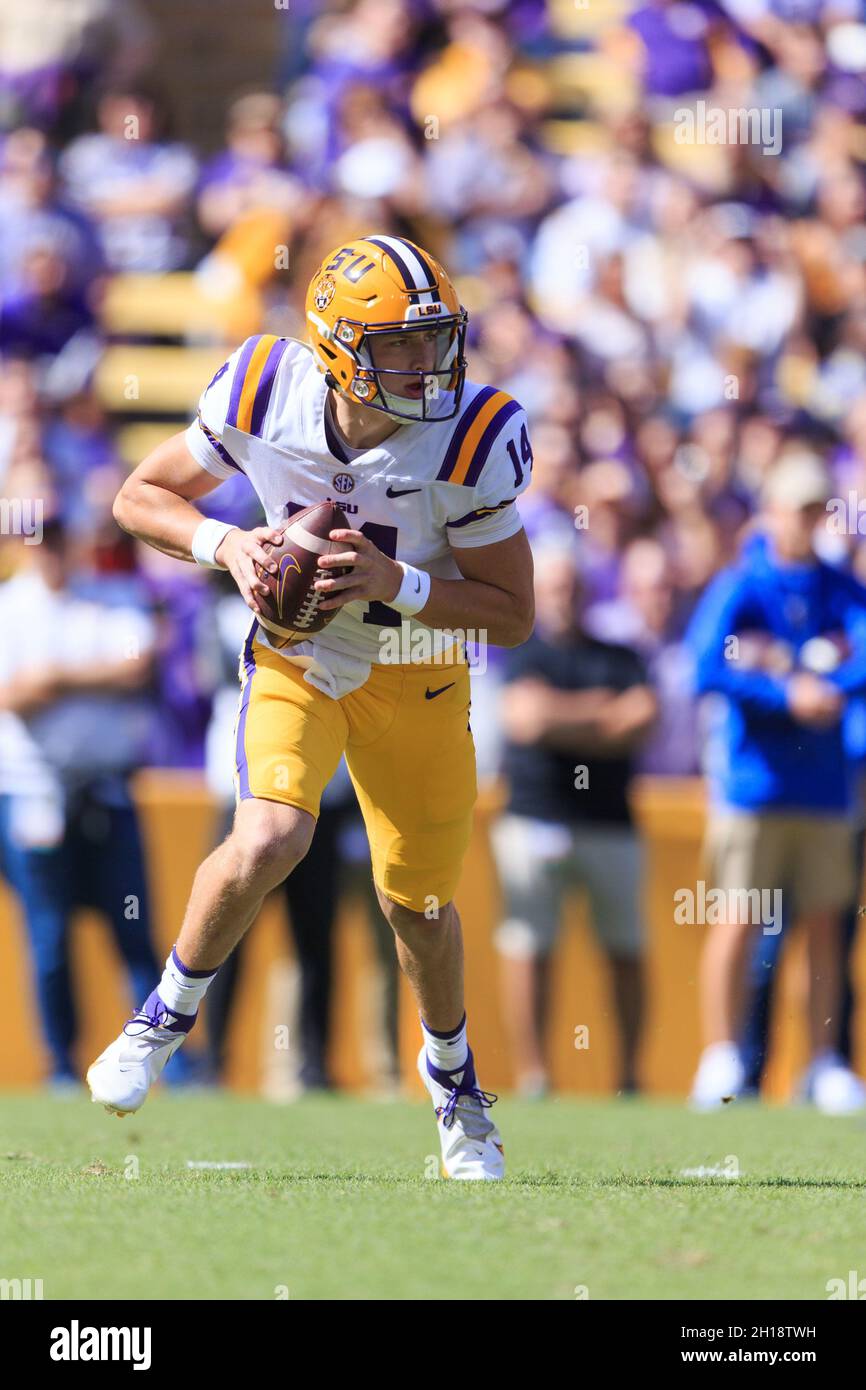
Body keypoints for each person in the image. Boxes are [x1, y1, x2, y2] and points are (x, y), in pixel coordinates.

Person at [87, 234, 535, 1179]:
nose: (427, 364)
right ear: (337, 350)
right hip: (301, 656)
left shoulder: (472, 434)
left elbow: (514, 612)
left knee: (417, 907)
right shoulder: (264, 388)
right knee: (270, 836)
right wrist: (229, 547)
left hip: (418, 668)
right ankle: (160, 1019)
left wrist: (396, 581)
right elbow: (139, 496)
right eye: (400, 345)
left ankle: (454, 1085)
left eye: (435, 340)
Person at [688, 452, 866, 1113]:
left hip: (822, 786)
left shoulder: (840, 587)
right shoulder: (743, 583)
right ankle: (720, 1055)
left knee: (823, 925)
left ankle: (822, 1061)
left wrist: (828, 686)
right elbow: (704, 667)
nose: (810, 522)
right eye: (800, 509)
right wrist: (786, 693)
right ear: (772, 512)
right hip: (753, 785)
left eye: (819, 509)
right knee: (737, 919)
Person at [0, 516, 162, 1087]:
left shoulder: (110, 596)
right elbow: (13, 695)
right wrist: (91, 678)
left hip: (107, 789)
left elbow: (138, 666)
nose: (50, 548)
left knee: (133, 928)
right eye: (39, 537)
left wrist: (57, 679)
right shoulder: (10, 607)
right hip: (34, 790)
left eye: (58, 534)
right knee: (48, 936)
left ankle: (161, 1058)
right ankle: (61, 1066)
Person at [492, 540, 655, 1096]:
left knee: (626, 949)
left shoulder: (620, 655)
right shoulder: (523, 652)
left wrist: (560, 716)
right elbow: (526, 720)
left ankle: (629, 1076)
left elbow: (641, 720)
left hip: (610, 822)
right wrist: (602, 712)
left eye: (573, 586)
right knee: (530, 950)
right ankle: (534, 1075)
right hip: (533, 820)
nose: (565, 596)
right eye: (556, 586)